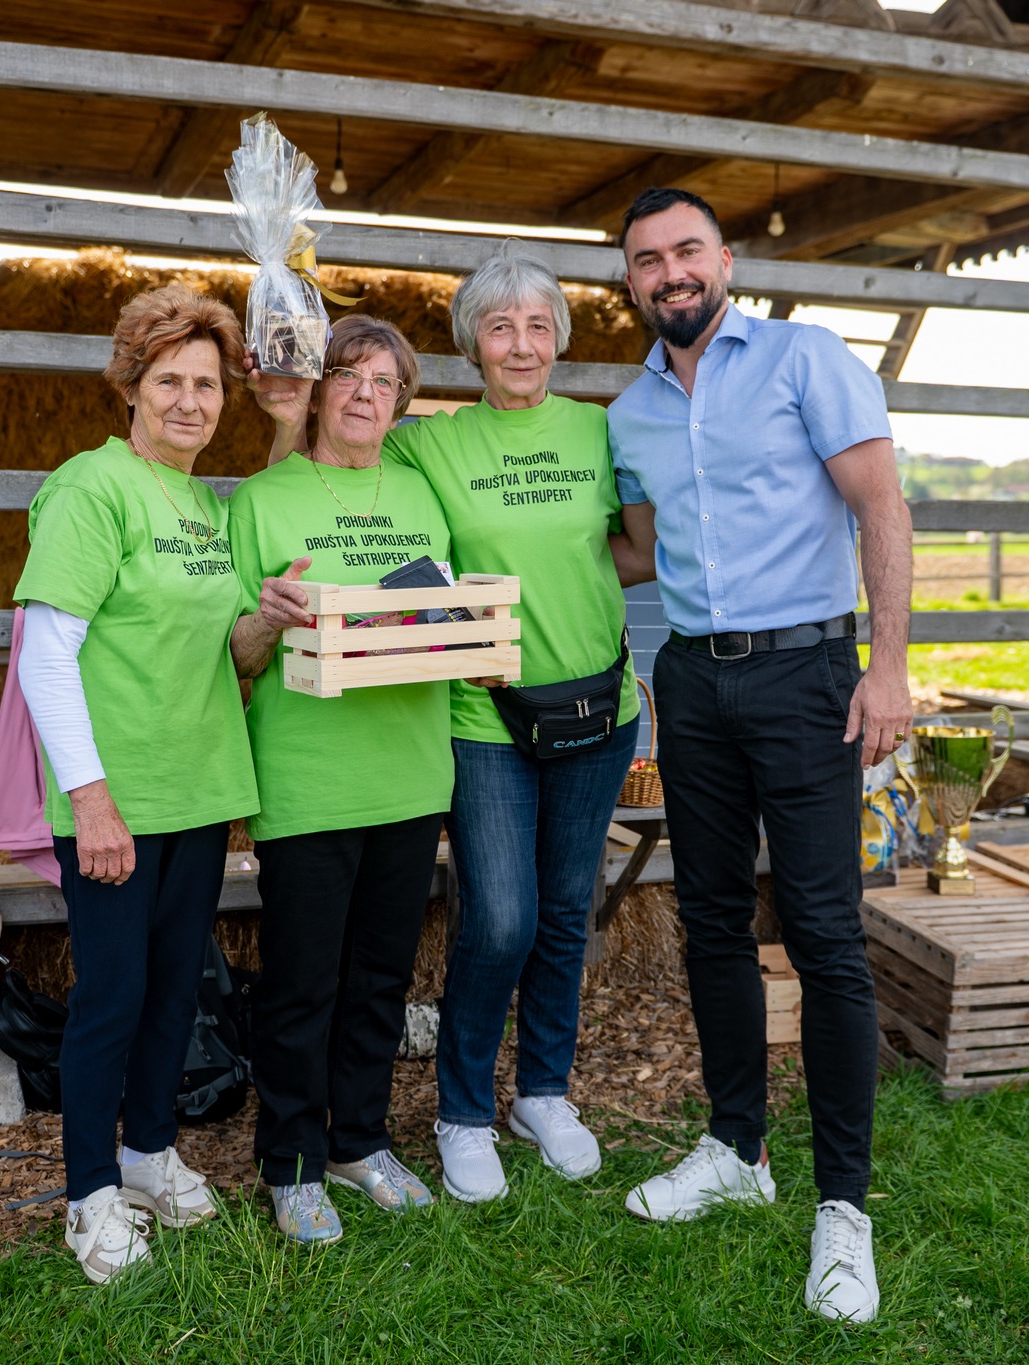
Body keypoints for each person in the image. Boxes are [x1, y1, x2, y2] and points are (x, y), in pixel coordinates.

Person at [606, 187, 913, 1324]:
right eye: (648, 260)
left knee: (825, 934)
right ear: (631, 283)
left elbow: (882, 508)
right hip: (692, 680)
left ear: (725, 260)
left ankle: (844, 1208)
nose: (670, 272)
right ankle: (736, 1147)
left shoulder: (804, 359)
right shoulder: (628, 413)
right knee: (710, 920)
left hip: (806, 674)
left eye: (686, 250)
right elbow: (638, 552)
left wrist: (887, 667)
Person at [301, 241, 644, 1202]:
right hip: (484, 715)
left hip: (599, 707)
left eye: (538, 326)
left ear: (559, 339)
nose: (521, 344)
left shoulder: (600, 432)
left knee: (566, 912)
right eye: (500, 327)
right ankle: (462, 1111)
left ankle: (542, 1092)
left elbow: (637, 549)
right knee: (499, 918)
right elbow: (335, 450)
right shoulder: (431, 444)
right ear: (471, 344)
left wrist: (566, 584)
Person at [12, 283, 258, 1284]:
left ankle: (150, 1154)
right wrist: (92, 800)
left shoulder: (204, 504)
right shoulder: (92, 488)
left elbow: (220, 648)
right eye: (170, 381)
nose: (190, 401)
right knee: (111, 997)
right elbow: (45, 654)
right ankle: (89, 1196)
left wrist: (273, 615)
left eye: (207, 383)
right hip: (117, 799)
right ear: (130, 386)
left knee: (172, 989)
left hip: (196, 790)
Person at [229, 316, 453, 1243]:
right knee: (301, 983)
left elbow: (443, 619)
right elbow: (235, 656)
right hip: (308, 779)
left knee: (380, 982)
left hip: (411, 775)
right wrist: (266, 618)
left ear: (401, 403)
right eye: (350, 375)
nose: (367, 393)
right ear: (318, 390)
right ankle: (291, 1162)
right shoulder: (261, 500)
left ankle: (360, 1141)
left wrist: (478, 651)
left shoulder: (422, 493)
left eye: (385, 381)